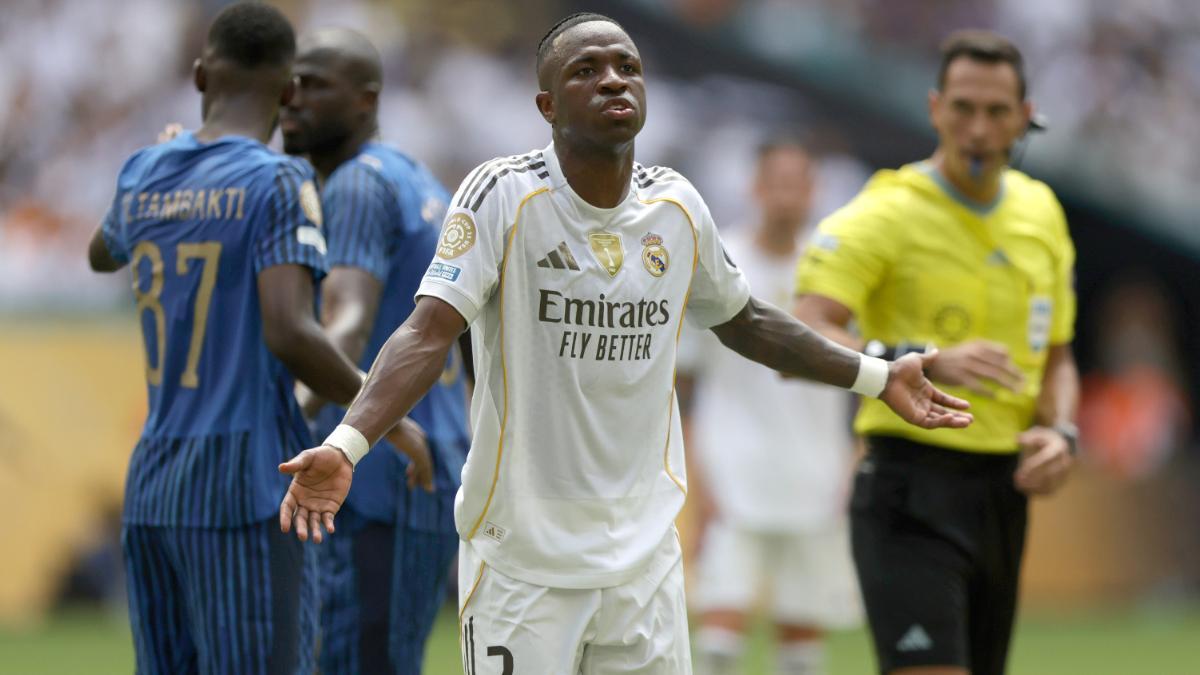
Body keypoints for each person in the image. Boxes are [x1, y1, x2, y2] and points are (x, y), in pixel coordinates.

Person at [278, 13, 971, 674]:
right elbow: (427, 332)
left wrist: (877, 376)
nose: (613, 79)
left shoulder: (677, 205)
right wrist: (347, 445)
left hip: (643, 562)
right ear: (547, 106)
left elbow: (748, 321)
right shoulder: (502, 195)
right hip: (523, 560)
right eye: (586, 70)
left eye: (627, 67)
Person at [87, 4, 424, 673]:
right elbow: (290, 330)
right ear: (289, 89)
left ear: (198, 76)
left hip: (153, 484)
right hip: (243, 480)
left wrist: (166, 155)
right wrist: (382, 411)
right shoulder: (277, 179)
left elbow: (101, 252)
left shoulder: (144, 171)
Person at [794, 30, 1079, 675]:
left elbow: (1059, 355)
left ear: (1025, 117)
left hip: (1004, 491)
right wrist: (911, 357)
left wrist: (1062, 432)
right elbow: (803, 331)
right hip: (908, 486)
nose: (978, 129)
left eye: (996, 112)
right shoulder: (884, 213)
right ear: (934, 109)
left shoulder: (1041, 213)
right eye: (963, 108)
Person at [279, 28, 471, 675]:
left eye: (314, 85)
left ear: (366, 99)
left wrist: (285, 423)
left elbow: (347, 325)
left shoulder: (356, 185)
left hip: (375, 473)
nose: (292, 98)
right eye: (290, 83)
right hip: (431, 460)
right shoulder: (419, 181)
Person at [683, 139, 860, 675]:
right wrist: (697, 479)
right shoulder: (719, 263)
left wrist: (852, 463)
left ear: (814, 190)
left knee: (802, 640)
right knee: (720, 636)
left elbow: (863, 374)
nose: (786, 196)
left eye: (797, 183)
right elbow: (683, 384)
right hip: (733, 471)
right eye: (776, 182)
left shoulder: (834, 271)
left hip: (816, 473)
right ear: (755, 188)